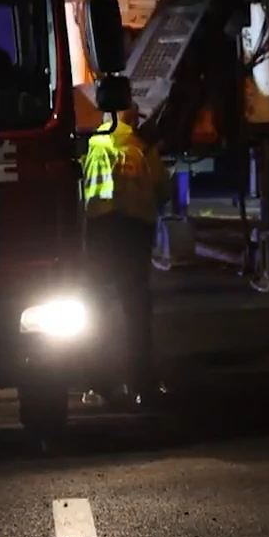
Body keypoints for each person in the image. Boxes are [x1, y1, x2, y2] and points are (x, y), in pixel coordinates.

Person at [81, 107, 170, 405]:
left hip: (98, 237)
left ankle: (98, 386)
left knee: (95, 313)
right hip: (134, 238)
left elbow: (82, 192)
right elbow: (163, 190)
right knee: (136, 314)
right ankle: (142, 386)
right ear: (131, 118)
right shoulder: (142, 149)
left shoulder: (94, 147)